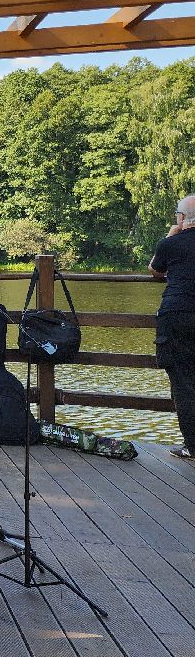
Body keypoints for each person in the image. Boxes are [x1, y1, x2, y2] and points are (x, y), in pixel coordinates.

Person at [150, 194, 195, 461]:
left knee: (183, 382)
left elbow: (155, 270)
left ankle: (193, 445)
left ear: (182, 218)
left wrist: (172, 232)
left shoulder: (171, 244)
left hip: (176, 315)